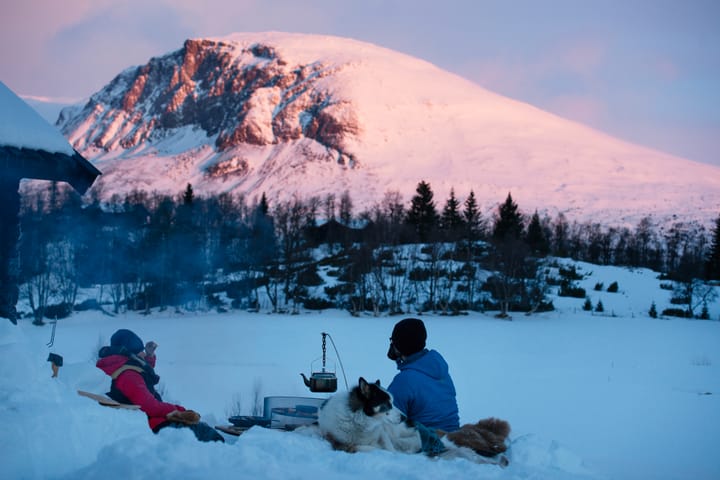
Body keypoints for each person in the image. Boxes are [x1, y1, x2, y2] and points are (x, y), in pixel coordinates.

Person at [96, 328, 223, 442]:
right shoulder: (129, 375)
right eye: (140, 351)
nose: (143, 354)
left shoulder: (118, 365)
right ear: (130, 352)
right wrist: (180, 410)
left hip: (152, 419)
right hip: (154, 424)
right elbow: (150, 406)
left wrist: (150, 356)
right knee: (209, 434)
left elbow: (142, 372)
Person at [387, 318, 460, 433]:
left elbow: (387, 422)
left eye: (393, 341)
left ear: (398, 346)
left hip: (427, 444)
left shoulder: (404, 381)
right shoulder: (441, 371)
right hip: (454, 437)